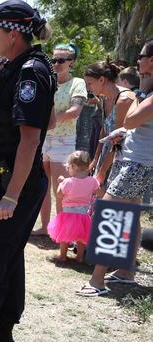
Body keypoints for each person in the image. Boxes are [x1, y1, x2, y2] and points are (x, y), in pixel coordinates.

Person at [0, 0, 56, 341]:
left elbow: (30, 139)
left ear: (14, 34)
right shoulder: (30, 67)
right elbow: (50, 119)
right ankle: (0, 330)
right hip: (11, 178)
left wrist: (12, 196)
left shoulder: (29, 71)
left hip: (12, 184)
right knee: (6, 258)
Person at [77, 40, 153, 296]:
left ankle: (97, 282)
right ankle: (126, 272)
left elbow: (131, 119)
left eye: (142, 56)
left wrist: (141, 90)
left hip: (137, 164)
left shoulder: (141, 94)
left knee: (108, 212)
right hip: (138, 162)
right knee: (129, 216)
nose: (138, 60)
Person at [32, 43, 87, 236]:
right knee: (42, 187)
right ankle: (46, 227)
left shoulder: (77, 83)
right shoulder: (47, 80)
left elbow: (75, 111)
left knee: (61, 188)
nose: (56, 63)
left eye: (61, 60)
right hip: (42, 139)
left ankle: (64, 233)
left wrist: (48, 120)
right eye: (53, 60)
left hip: (63, 140)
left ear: (71, 62)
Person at [84, 60, 136, 188]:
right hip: (106, 157)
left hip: (124, 159)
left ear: (102, 80)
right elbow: (105, 129)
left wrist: (102, 171)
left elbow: (118, 140)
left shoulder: (124, 100)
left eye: (89, 83)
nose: (88, 88)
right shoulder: (104, 98)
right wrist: (95, 159)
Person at [46, 151, 98, 263]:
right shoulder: (92, 181)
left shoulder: (68, 182)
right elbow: (100, 193)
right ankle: (80, 257)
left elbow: (59, 195)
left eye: (68, 167)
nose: (68, 170)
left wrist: (60, 183)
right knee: (81, 238)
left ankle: (62, 256)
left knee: (64, 237)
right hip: (83, 215)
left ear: (73, 166)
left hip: (68, 215)